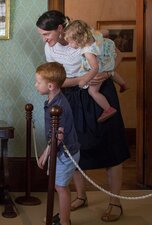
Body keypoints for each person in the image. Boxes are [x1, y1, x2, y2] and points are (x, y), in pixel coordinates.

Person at [36, 10, 130, 222]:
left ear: (60, 29)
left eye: (46, 34)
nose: (44, 39)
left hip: (99, 93)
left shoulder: (85, 36)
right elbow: (58, 79)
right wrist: (80, 80)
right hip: (72, 97)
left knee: (111, 144)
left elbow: (118, 54)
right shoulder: (49, 49)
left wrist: (107, 72)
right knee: (73, 147)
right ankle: (81, 196)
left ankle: (115, 202)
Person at [35, 62, 80, 225]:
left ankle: (65, 222)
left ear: (51, 85)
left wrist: (45, 153)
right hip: (61, 151)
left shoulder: (59, 105)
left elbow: (58, 135)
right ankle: (63, 215)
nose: (35, 85)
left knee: (60, 187)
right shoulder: (53, 99)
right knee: (58, 185)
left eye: (38, 82)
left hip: (65, 152)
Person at [63, 20, 128, 122]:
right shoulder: (94, 34)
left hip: (99, 68)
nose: (69, 45)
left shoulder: (88, 51)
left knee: (92, 91)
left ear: (80, 39)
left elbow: (95, 68)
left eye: (71, 42)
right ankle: (123, 83)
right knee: (110, 71)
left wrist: (85, 80)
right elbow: (106, 31)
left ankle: (108, 109)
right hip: (106, 59)